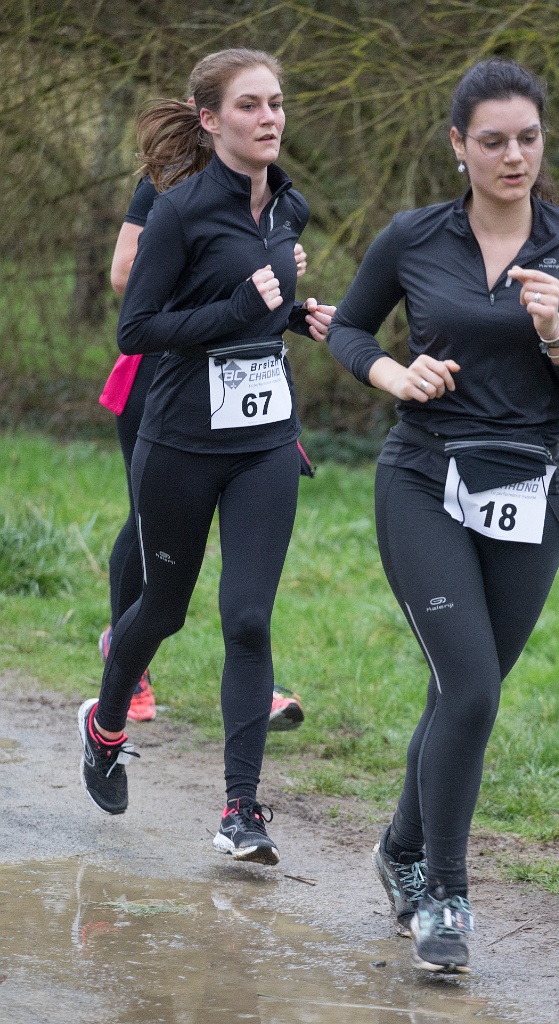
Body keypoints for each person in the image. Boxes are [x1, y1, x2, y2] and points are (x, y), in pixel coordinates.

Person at [327, 58, 559, 973]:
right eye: (493, 141)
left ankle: (400, 850)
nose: (513, 156)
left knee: (462, 690)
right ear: (459, 145)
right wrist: (395, 372)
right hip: (425, 478)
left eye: (528, 138)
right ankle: (445, 898)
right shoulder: (414, 235)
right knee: (475, 690)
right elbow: (349, 329)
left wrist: (557, 334)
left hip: (528, 488)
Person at [78, 48, 336, 869]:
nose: (269, 118)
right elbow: (139, 329)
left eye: (277, 103)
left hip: (264, 444)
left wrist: (294, 317)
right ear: (210, 118)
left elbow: (259, 304)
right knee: (162, 609)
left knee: (249, 618)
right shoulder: (180, 210)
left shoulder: (289, 205)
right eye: (251, 105)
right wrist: (239, 305)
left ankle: (241, 811)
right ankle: (104, 726)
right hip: (181, 444)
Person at [99, 170, 310, 728]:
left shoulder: (276, 199)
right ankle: (126, 658)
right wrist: (230, 273)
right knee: (148, 528)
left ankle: (253, 682)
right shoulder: (167, 185)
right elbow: (123, 275)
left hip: (246, 379)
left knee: (249, 566)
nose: (267, 127)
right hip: (168, 372)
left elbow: (263, 291)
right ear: (210, 124)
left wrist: (279, 280)